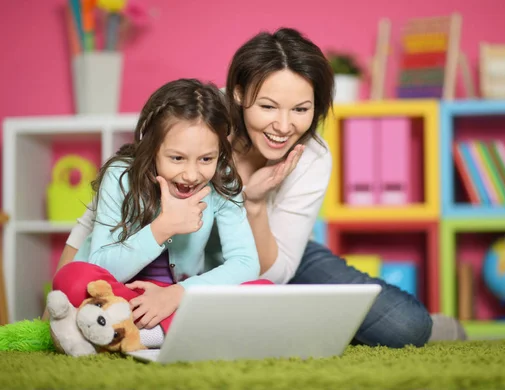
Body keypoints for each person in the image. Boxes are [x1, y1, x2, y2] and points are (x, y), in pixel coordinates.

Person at [50, 27, 465, 348]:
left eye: (301, 110)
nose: (284, 126)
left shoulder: (311, 159)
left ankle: (405, 328)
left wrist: (255, 202)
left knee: (405, 325)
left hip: (273, 248)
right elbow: (118, 190)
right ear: (238, 95)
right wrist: (71, 278)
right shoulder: (200, 119)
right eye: (268, 106)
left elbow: (275, 269)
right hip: (184, 255)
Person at [52, 78, 267, 348]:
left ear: (219, 153)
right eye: (177, 158)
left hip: (179, 298)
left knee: (262, 290)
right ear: (152, 147)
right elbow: (100, 267)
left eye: (206, 159)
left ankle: (119, 334)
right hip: (118, 294)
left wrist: (177, 294)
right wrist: (162, 228)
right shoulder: (121, 177)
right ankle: (151, 333)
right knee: (72, 278)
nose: (191, 174)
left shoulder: (223, 183)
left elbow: (246, 264)